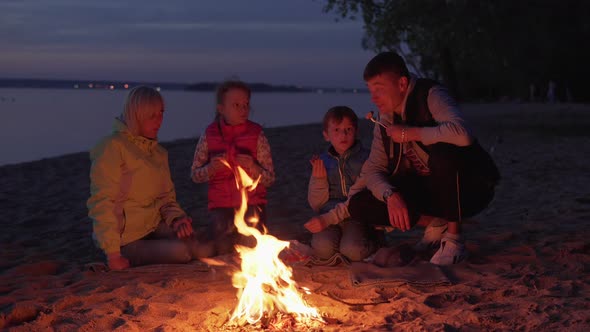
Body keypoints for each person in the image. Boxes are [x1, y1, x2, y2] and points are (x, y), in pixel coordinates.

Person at [347, 52, 499, 265]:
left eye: (379, 90)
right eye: (371, 91)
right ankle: (436, 224)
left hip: (471, 188)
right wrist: (390, 195)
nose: (374, 98)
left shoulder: (431, 94)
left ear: (401, 84)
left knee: (443, 151)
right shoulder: (385, 119)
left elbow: (463, 134)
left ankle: (454, 240)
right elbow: (374, 169)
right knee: (358, 204)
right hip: (429, 191)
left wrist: (412, 133)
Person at [87, 86, 212, 271]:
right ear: (136, 115)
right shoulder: (113, 147)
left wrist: (177, 219)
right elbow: (103, 203)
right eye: (151, 115)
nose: (159, 120)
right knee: (182, 253)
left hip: (153, 227)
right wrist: (113, 254)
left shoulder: (158, 153)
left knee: (203, 244)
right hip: (126, 241)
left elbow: (166, 198)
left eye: (161, 113)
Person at [191, 80, 275, 255]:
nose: (243, 109)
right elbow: (195, 175)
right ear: (221, 109)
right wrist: (211, 169)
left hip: (252, 204)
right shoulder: (209, 134)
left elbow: (270, 179)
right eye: (236, 105)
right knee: (223, 249)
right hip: (220, 206)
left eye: (246, 104)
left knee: (251, 248)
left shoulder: (256, 134)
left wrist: (253, 167)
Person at [304, 106, 377, 262]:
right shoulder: (322, 162)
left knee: (352, 251)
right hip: (328, 215)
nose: (343, 134)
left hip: (356, 215)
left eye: (348, 129)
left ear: (356, 131)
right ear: (326, 135)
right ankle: (340, 245)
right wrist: (319, 180)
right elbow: (316, 204)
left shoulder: (366, 158)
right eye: (336, 130)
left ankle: (375, 242)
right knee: (322, 249)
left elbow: (366, 196)